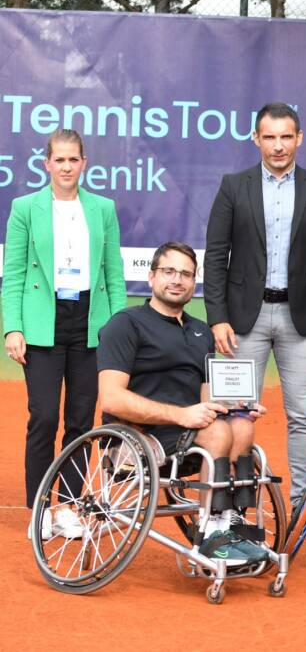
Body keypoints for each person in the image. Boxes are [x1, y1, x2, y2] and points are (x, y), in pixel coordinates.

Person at [204, 102, 306, 540]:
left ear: (299, 138)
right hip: (242, 322)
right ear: (256, 139)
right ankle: (232, 509)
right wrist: (217, 318)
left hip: (302, 319)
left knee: (303, 417)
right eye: (270, 137)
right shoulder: (234, 186)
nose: (279, 145)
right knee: (234, 414)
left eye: (287, 136)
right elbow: (215, 256)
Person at [98, 242, 269, 567]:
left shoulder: (201, 332)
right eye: (169, 272)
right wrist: (182, 414)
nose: (177, 280)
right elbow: (111, 398)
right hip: (140, 436)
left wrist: (237, 408)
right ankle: (209, 534)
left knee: (241, 427)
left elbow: (207, 400)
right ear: (151, 277)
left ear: (194, 282)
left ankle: (231, 522)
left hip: (190, 436)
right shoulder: (126, 324)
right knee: (218, 434)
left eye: (186, 274)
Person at [4, 129, 127, 540]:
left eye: (73, 159)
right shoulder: (25, 208)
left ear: (84, 163)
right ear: (47, 164)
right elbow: (14, 274)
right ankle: (40, 507)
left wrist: (116, 329)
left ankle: (72, 506)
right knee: (43, 417)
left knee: (80, 420)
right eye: (59, 160)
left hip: (90, 321)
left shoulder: (103, 208)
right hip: (42, 321)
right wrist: (13, 327)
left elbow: (113, 273)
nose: (66, 167)